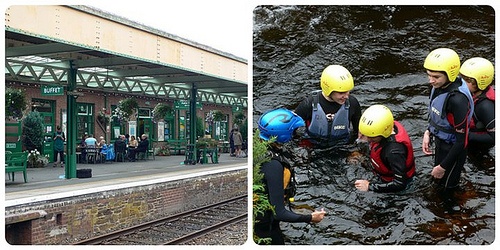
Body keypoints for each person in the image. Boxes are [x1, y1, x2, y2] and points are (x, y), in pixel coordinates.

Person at [254, 108, 326, 245]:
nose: (294, 134)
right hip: (264, 227)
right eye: (292, 131)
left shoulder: (260, 150)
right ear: (283, 136)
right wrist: (310, 217)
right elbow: (279, 213)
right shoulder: (273, 165)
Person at [421, 48, 474, 190]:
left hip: (453, 149)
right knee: (436, 183)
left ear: (450, 75)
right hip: (441, 141)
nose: (430, 80)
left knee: (447, 189)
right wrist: (428, 132)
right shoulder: (438, 86)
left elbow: (461, 141)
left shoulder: (457, 100)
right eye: (429, 75)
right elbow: (436, 113)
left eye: (436, 77)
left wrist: (443, 167)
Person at [294, 65, 362, 148]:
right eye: (341, 93)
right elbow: (292, 130)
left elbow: (358, 133)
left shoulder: (352, 103)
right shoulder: (309, 104)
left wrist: (355, 151)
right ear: (328, 90)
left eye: (348, 92)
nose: (346, 96)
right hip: (314, 146)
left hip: (342, 146)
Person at [354, 105, 416, 193]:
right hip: (381, 171)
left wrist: (370, 186)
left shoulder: (394, 151)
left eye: (371, 137)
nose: (367, 139)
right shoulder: (386, 126)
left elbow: (400, 184)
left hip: (395, 187)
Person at [459, 57, 495, 151]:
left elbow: (494, 138)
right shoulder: (468, 93)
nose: (461, 83)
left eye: (467, 81)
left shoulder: (486, 106)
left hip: (479, 148)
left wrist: (465, 134)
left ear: (479, 83)